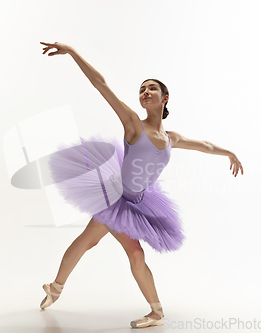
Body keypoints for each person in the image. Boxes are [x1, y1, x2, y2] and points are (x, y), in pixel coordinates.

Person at [38, 41, 243, 328]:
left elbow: (205, 145)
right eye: (141, 90)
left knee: (89, 240)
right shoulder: (134, 124)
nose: (145, 92)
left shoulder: (173, 137)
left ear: (165, 98)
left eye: (151, 88)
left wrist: (228, 153)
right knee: (126, 251)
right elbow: (101, 84)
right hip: (115, 197)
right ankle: (155, 312)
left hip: (138, 200)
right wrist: (72, 52)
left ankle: (56, 288)